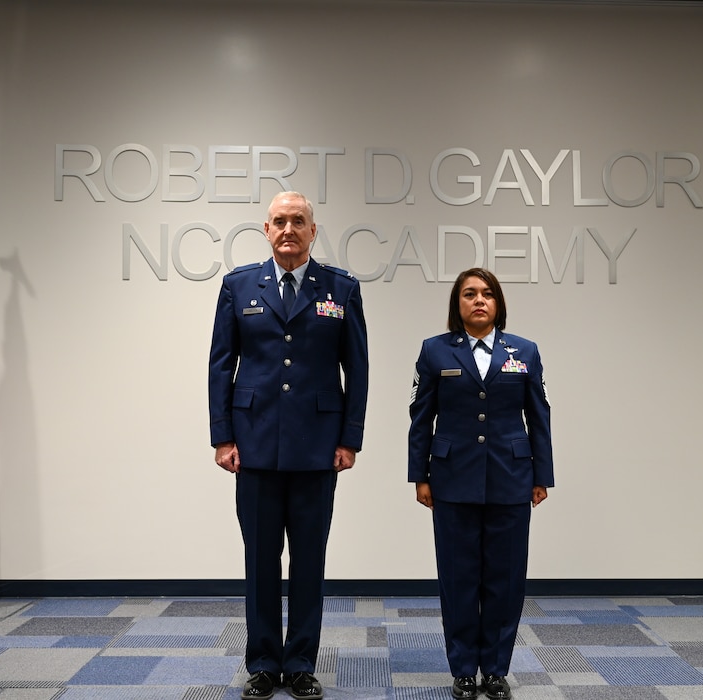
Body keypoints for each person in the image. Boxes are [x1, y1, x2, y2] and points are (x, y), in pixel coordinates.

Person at [209, 191, 369, 700]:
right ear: (266, 228)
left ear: (313, 230)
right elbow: (220, 365)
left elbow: (357, 370)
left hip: (318, 448)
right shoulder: (238, 287)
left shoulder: (340, 289)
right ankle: (261, 663)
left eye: (298, 221)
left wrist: (350, 439)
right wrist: (222, 437)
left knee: (308, 559)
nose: (288, 230)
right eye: (279, 221)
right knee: (259, 559)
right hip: (253, 446)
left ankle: (299, 663)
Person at [407, 268, 553, 700]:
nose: (479, 300)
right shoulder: (435, 352)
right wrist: (420, 475)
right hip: (452, 480)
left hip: (512, 479)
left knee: (505, 581)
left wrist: (542, 475)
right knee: (459, 578)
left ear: (498, 303)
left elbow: (539, 417)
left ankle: (495, 669)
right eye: (469, 293)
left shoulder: (524, 351)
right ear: (458, 304)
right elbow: (421, 418)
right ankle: (463, 669)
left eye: (487, 294)